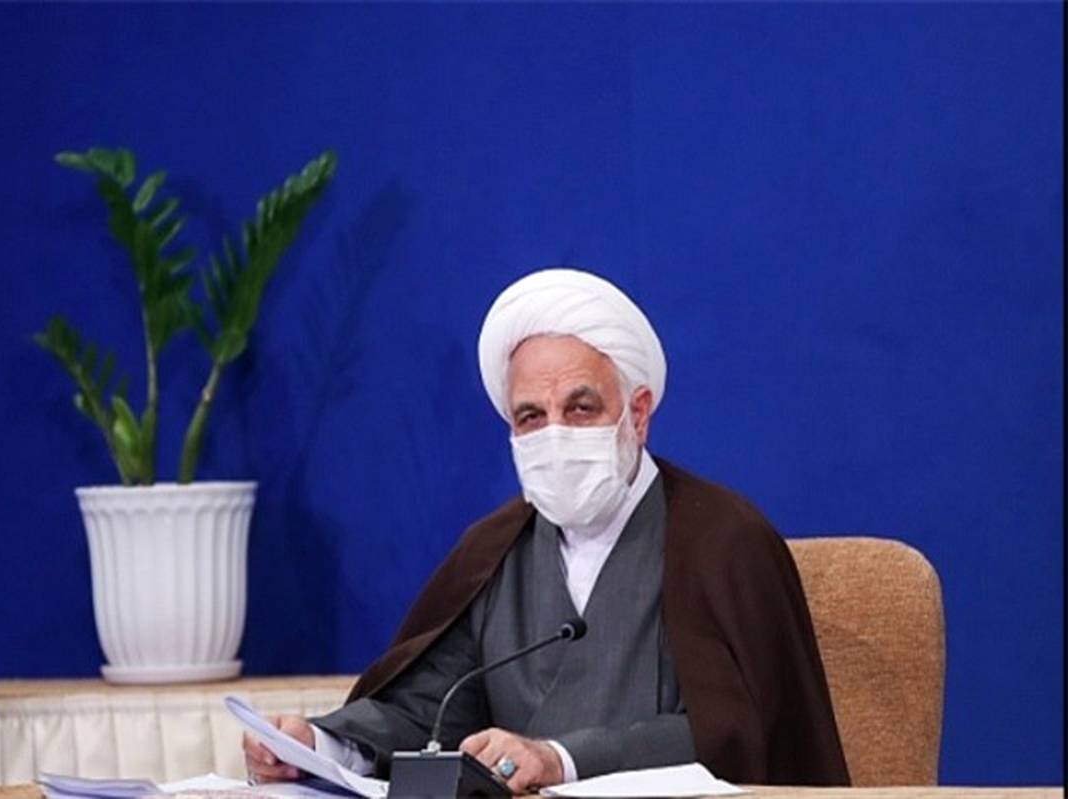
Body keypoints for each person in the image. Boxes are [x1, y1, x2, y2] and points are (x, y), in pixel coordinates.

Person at [245, 268, 850, 792]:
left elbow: (737, 733)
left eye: (580, 408)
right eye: (531, 416)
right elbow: (432, 716)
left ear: (638, 413)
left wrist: (560, 760)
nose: (555, 434)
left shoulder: (724, 539)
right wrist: (318, 746)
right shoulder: (494, 550)